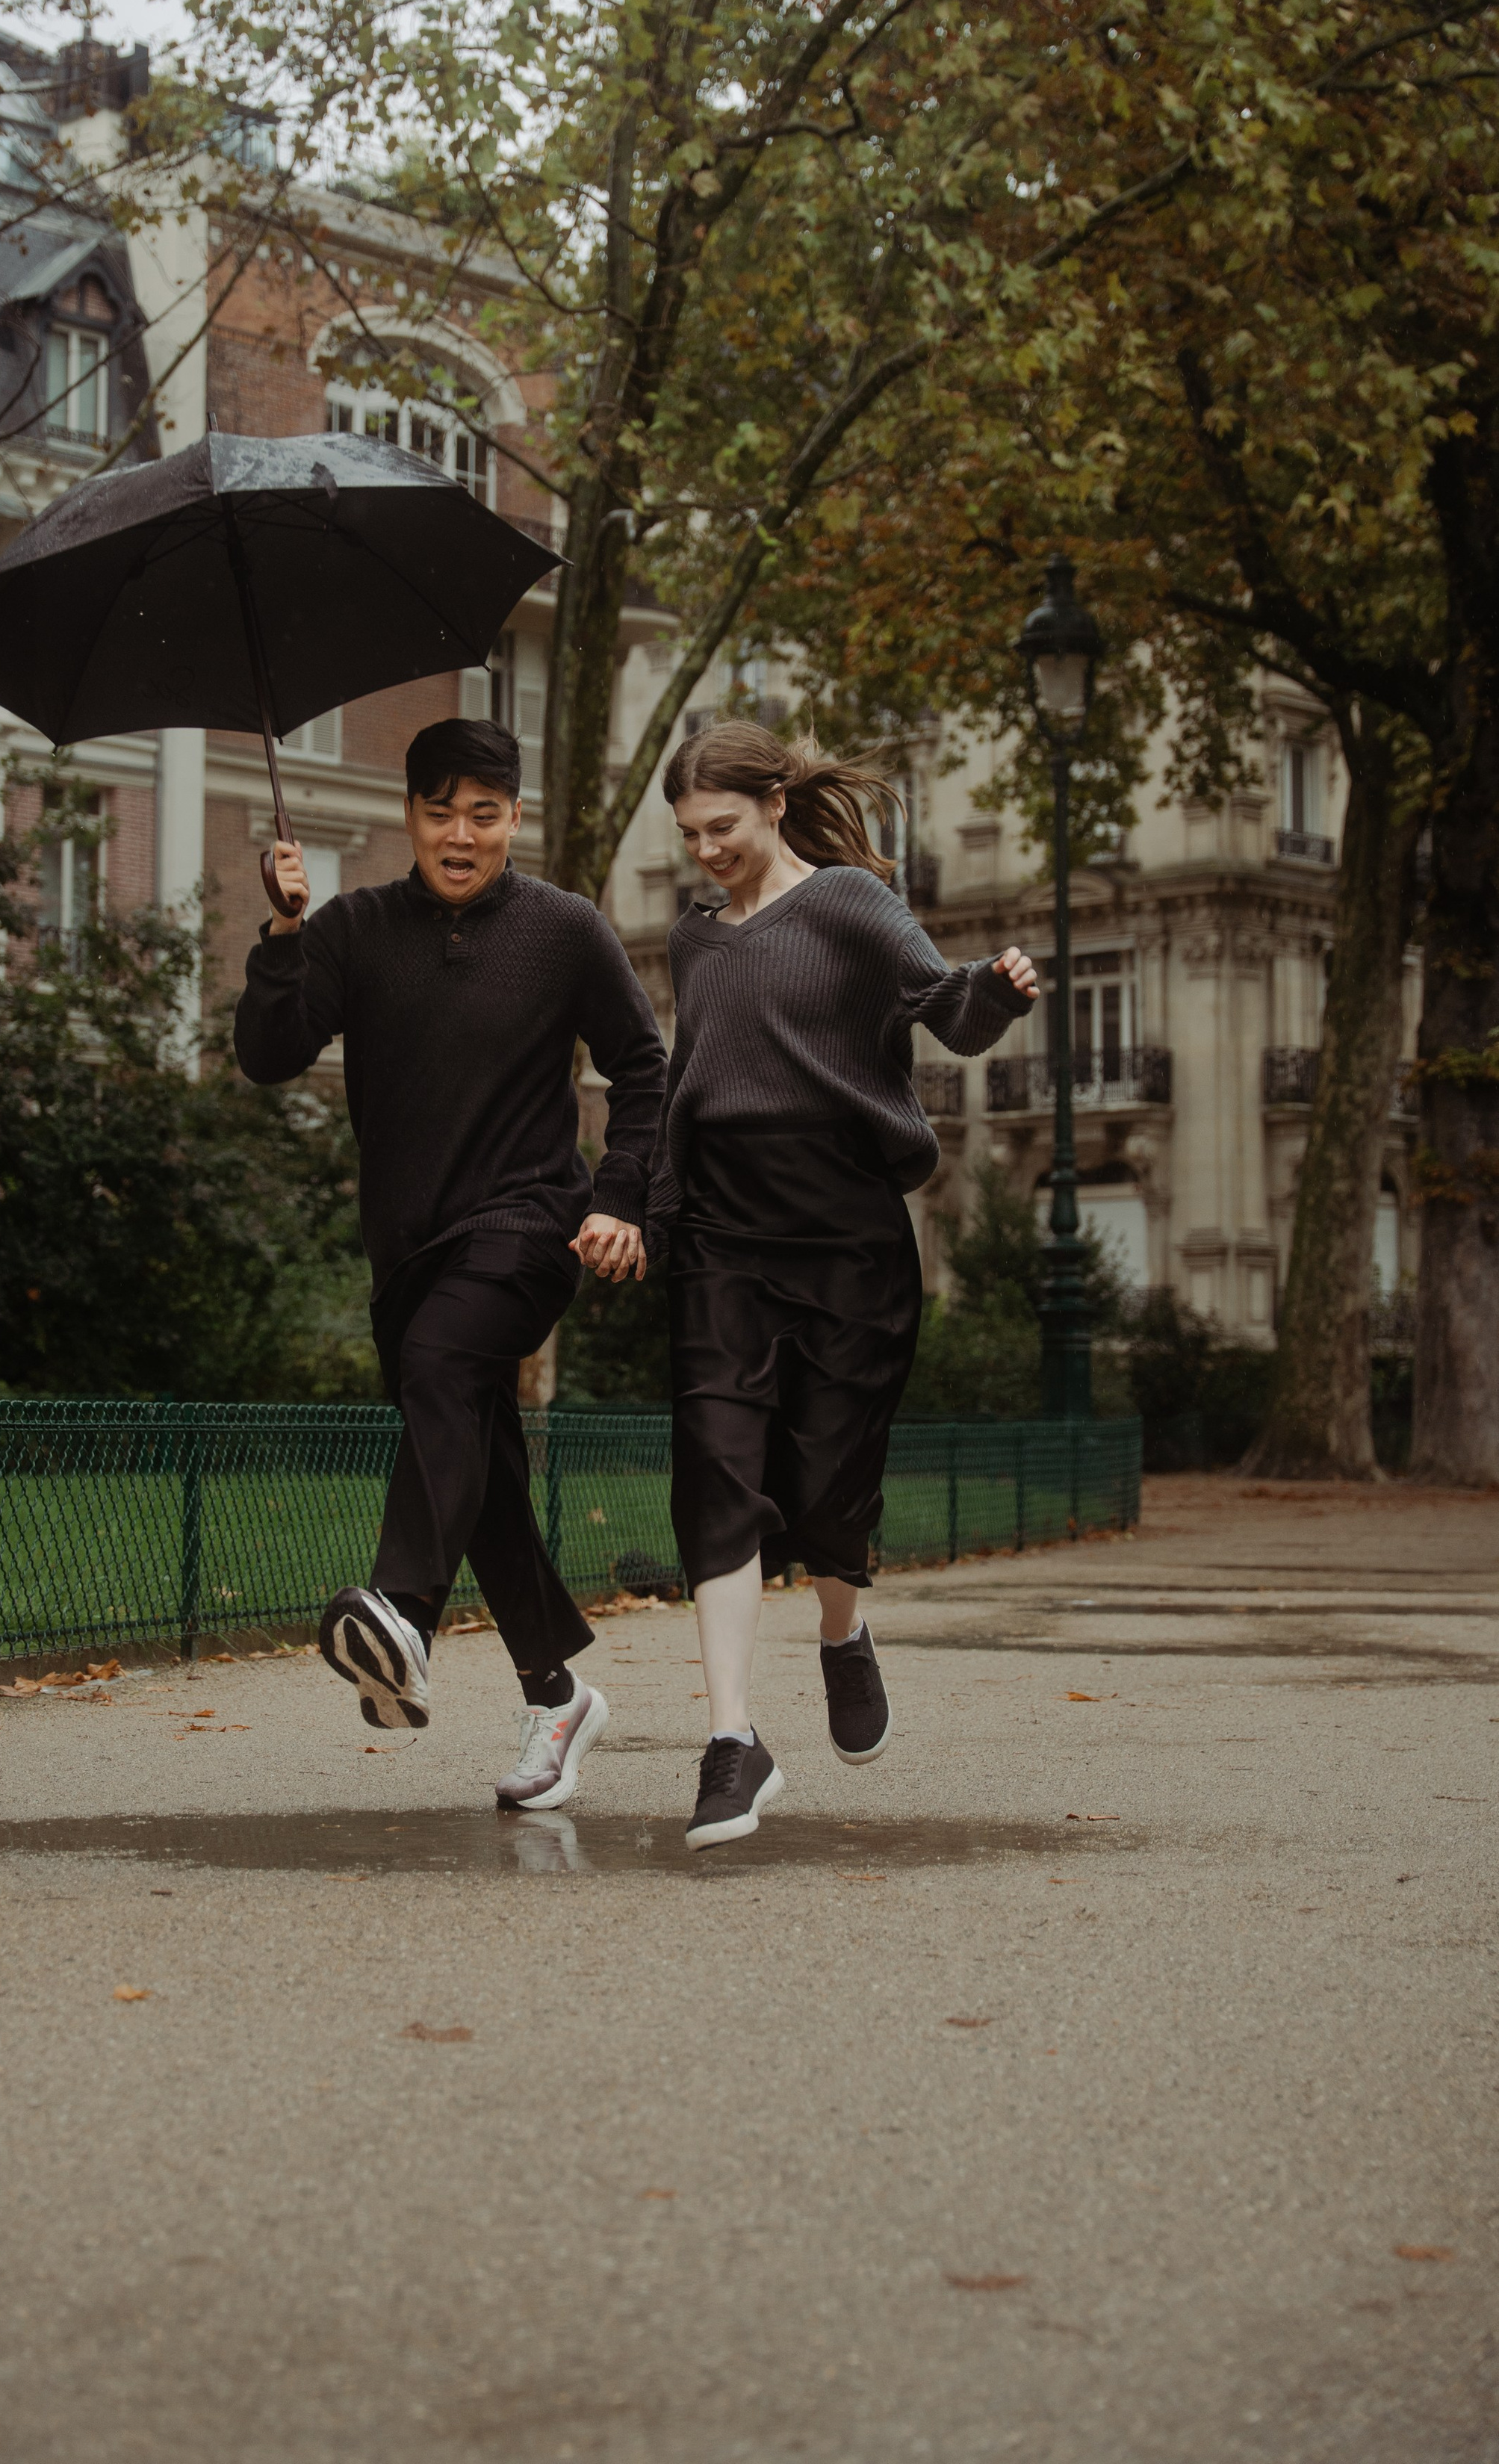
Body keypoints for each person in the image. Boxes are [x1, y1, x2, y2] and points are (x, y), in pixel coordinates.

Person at [234, 715, 667, 1810]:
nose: (461, 835)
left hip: (531, 1225)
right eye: (441, 814)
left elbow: (644, 1070)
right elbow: (269, 1055)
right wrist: (283, 931)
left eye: (484, 814)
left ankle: (403, 1612)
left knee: (440, 1366)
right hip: (407, 1250)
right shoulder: (354, 929)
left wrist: (620, 1198)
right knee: (478, 1475)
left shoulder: (567, 931)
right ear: (410, 818)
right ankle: (556, 1694)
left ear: (515, 818)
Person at [651, 723, 1039, 1850]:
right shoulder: (692, 941)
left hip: (845, 1230)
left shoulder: (851, 905)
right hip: (723, 1229)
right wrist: (653, 1206)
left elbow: (948, 1011)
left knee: (829, 1484)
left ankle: (842, 1633)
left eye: (722, 827)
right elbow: (687, 1083)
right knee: (716, 1471)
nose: (706, 851)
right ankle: (732, 1743)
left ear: (775, 804)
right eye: (690, 835)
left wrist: (999, 988)